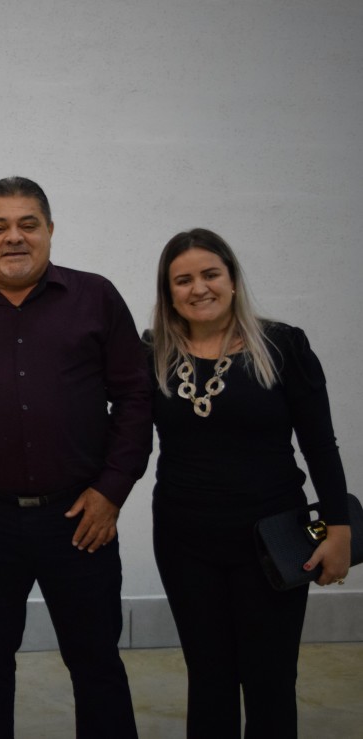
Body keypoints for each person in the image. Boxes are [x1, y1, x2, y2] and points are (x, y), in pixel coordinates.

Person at [0, 176, 152, 738]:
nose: (13, 237)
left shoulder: (95, 297)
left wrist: (112, 490)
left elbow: (136, 397)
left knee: (96, 663)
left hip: (80, 517)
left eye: (27, 225)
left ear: (49, 230)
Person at [146, 228, 351, 737]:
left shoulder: (282, 345)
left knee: (270, 680)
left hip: (272, 542)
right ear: (169, 292)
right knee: (208, 679)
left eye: (210, 274)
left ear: (233, 279)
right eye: (183, 280)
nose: (199, 288)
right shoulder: (151, 353)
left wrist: (339, 527)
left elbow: (320, 444)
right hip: (184, 541)